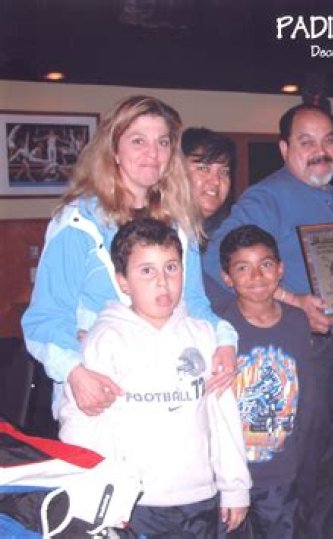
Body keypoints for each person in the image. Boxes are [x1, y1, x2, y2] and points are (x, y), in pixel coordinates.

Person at [22, 95, 237, 421]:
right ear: (114, 150)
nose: (153, 153)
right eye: (138, 141)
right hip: (102, 395)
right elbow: (45, 319)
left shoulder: (179, 224)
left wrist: (224, 341)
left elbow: (194, 304)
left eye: (162, 142)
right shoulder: (78, 224)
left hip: (168, 394)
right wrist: (75, 372)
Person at [202, 103, 333, 539]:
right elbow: (215, 264)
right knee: (302, 475)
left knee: (328, 470)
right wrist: (292, 301)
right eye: (306, 142)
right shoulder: (266, 197)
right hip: (302, 352)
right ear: (284, 148)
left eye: (328, 140)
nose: (320, 150)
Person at [58, 218, 251, 537]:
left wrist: (235, 488)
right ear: (122, 281)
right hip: (132, 503)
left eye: (171, 268)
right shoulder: (104, 339)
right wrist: (90, 495)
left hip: (199, 500)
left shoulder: (204, 335)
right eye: (147, 271)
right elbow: (80, 423)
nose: (163, 282)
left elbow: (224, 418)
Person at [217, 224, 316, 539]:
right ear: (227, 278)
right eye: (243, 268)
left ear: (280, 269)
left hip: (282, 475)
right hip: (229, 475)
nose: (257, 276)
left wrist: (300, 458)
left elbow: (305, 393)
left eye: (266, 264)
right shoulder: (218, 329)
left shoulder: (297, 321)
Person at [181, 127, 237, 309]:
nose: (215, 181)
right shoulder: (157, 230)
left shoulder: (233, 231)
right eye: (203, 168)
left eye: (224, 171)